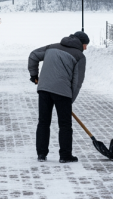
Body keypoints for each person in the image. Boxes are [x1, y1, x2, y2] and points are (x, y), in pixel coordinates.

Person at [28, 31, 89, 163]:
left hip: (44, 89)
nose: (86, 48)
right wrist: (69, 100)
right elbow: (77, 82)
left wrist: (34, 76)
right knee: (65, 125)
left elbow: (33, 55)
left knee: (43, 122)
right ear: (81, 43)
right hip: (63, 92)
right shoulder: (80, 56)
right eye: (85, 45)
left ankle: (41, 154)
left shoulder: (52, 47)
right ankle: (65, 155)